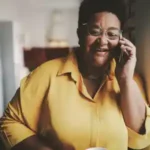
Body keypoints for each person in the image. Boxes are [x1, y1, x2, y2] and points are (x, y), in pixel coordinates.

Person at [0, 0, 150, 150]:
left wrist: (125, 81)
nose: (102, 41)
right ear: (80, 34)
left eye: (112, 34)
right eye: (95, 31)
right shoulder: (45, 74)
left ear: (120, 40)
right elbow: (9, 123)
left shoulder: (131, 81)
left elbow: (142, 140)